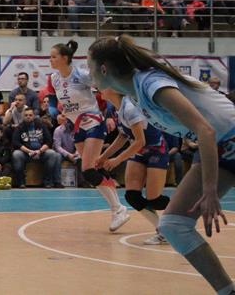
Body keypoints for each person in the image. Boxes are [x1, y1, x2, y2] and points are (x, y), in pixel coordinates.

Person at [87, 35, 235, 293]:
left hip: (226, 140)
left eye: (89, 67)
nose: (88, 74)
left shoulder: (151, 83)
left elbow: (205, 130)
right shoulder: (133, 94)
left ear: (104, 69)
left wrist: (210, 189)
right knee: (173, 226)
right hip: (217, 149)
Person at [46, 40, 129, 231]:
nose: (50, 60)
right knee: (94, 169)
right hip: (76, 126)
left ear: (64, 58)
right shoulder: (54, 78)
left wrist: (111, 115)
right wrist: (56, 113)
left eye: (53, 56)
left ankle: (118, 209)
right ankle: (118, 208)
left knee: (88, 170)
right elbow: (53, 103)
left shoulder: (81, 75)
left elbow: (107, 91)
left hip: (93, 121)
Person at [96, 89, 170, 245]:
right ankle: (163, 231)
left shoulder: (130, 107)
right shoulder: (115, 108)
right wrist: (103, 157)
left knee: (155, 199)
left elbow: (140, 141)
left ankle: (185, 207)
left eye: (102, 86)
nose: (99, 89)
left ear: (114, 89)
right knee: (132, 196)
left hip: (156, 150)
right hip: (139, 152)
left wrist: (117, 160)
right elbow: (123, 136)